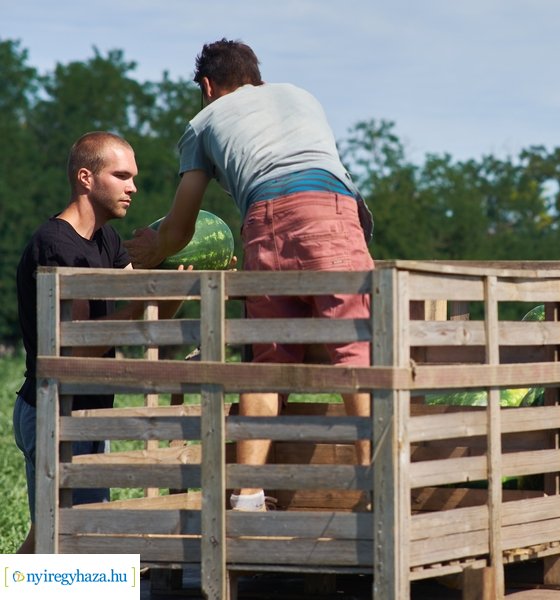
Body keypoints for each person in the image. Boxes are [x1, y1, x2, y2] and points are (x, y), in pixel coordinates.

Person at [124, 39, 375, 513]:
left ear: (207, 85)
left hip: (262, 220)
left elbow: (179, 228)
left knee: (266, 360)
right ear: (255, 76)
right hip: (331, 211)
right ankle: (373, 491)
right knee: (354, 352)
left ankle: (248, 497)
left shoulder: (205, 121)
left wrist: (153, 249)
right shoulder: (302, 96)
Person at [14, 131, 182, 553]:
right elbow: (78, 348)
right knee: (76, 544)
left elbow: (144, 317)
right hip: (55, 414)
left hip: (85, 414)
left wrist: (181, 286)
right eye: (122, 176)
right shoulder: (55, 246)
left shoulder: (105, 240)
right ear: (86, 178)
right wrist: (151, 297)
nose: (133, 187)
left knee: (49, 542)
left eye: (134, 177)